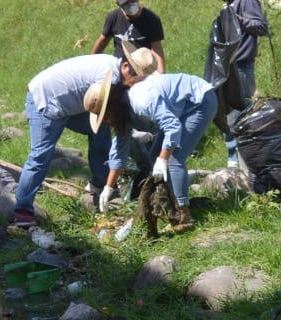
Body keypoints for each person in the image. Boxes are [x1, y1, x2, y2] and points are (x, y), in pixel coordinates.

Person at [12, 48, 159, 229]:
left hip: (71, 103)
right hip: (46, 98)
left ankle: (101, 184)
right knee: (40, 156)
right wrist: (137, 132)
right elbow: (122, 124)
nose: (136, 82)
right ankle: (22, 212)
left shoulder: (116, 71)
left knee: (101, 128)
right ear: (126, 66)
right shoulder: (110, 78)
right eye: (135, 76)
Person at [87, 70, 218, 233]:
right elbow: (120, 151)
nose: (105, 121)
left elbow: (172, 126)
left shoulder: (141, 100)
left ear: (111, 106)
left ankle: (183, 214)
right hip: (178, 111)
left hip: (198, 102)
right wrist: (108, 188)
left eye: (103, 116)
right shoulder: (123, 115)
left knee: (174, 158)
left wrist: (163, 160)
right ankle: (170, 205)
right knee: (154, 155)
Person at [202, 0, 269, 167]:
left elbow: (261, 27)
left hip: (242, 66)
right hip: (230, 68)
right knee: (230, 115)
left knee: (243, 115)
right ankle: (236, 161)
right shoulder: (231, 0)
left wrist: (240, 20)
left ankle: (251, 159)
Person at [91, 0, 167, 72]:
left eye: (133, 0)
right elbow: (102, 42)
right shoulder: (113, 17)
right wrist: (91, 64)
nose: (130, 4)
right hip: (120, 69)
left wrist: (161, 75)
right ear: (119, 4)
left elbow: (157, 49)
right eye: (125, 2)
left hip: (142, 68)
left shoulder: (151, 19)